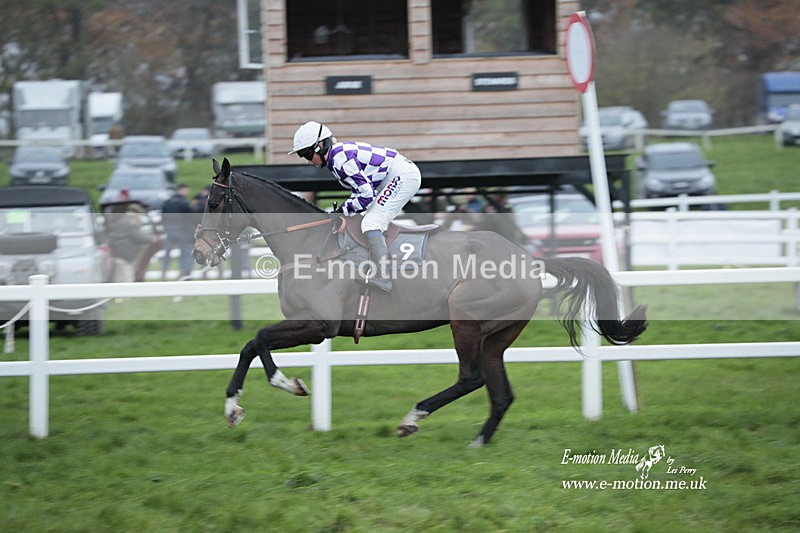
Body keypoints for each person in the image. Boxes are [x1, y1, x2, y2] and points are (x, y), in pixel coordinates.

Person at [288, 121, 422, 292]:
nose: (308, 161)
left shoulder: (340, 159)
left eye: (306, 155)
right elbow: (362, 193)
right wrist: (344, 210)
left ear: (319, 146)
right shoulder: (337, 157)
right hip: (393, 177)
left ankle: (383, 276)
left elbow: (366, 194)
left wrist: (342, 210)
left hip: (402, 177)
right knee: (365, 221)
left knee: (371, 223)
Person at [161, 183, 195, 280]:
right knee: (185, 253)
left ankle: (163, 273)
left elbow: (163, 217)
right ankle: (182, 274)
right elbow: (190, 218)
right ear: (182, 190)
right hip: (182, 232)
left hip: (170, 231)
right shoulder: (185, 203)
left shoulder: (167, 202)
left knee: (167, 253)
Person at [106, 211, 151, 282]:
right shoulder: (129, 224)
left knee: (120, 278)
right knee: (126, 279)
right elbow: (138, 237)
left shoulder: (122, 222)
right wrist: (152, 239)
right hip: (124, 257)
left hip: (119, 255)